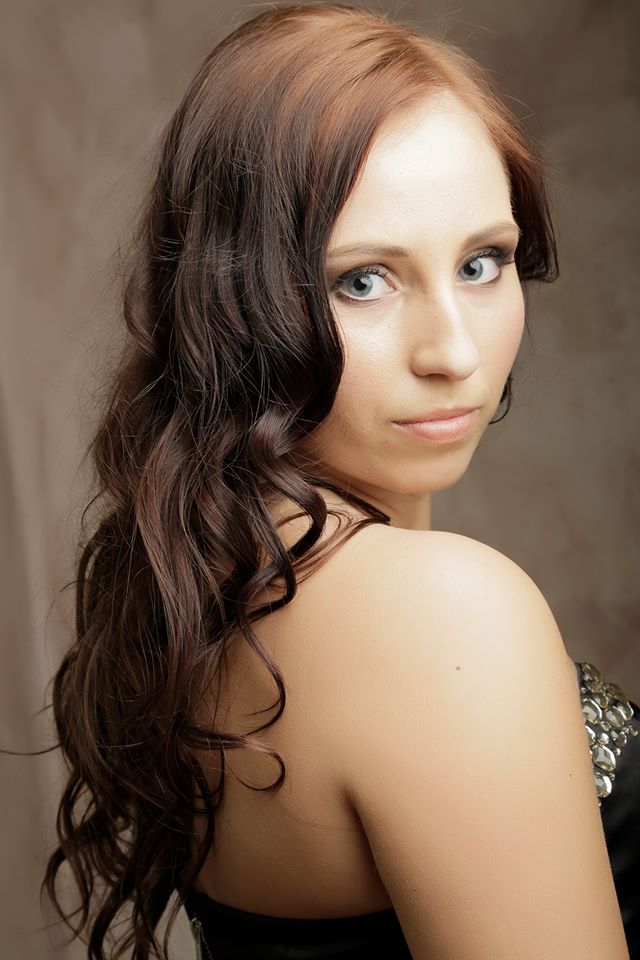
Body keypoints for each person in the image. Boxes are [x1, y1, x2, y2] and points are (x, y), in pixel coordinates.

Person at [42, 3, 639, 959]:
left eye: (483, 261)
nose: (454, 352)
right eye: (363, 280)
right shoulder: (439, 614)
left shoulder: (213, 581)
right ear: (234, 298)